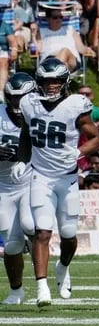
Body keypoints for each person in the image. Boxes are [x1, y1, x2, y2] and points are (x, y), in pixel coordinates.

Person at [18, 57, 99, 307]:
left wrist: (79, 152)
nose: (52, 86)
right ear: (38, 82)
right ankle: (42, 288)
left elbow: (96, 139)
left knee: (68, 235)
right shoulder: (28, 103)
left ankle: (63, 266)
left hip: (67, 179)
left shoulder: (75, 105)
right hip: (40, 177)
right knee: (42, 232)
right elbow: (26, 135)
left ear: (65, 82)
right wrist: (22, 161)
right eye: (46, 81)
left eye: (56, 81)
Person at [0, 73, 36, 305]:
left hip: (31, 181)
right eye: (12, 99)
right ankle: (16, 291)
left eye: (21, 98)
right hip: (3, 185)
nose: (16, 103)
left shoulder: (40, 114)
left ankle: (43, 283)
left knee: (32, 226)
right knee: (11, 243)